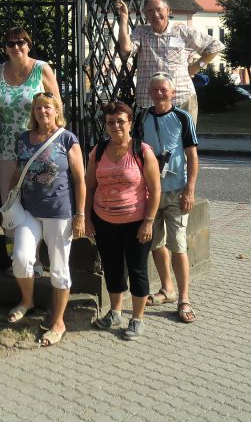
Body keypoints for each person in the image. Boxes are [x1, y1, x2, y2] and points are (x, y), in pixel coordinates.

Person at [5, 92, 86, 347]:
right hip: (28, 210)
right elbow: (18, 171)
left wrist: (80, 215)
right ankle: (27, 301)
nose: (42, 112)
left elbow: (80, 180)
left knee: (59, 269)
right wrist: (10, 200)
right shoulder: (24, 139)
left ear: (56, 111)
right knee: (20, 259)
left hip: (59, 212)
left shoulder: (67, 138)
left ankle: (58, 322)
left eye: (47, 107)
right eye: (38, 108)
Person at [84, 101, 161, 340]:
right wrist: (86, 217)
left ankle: (137, 319)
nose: (115, 126)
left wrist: (149, 221)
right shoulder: (98, 151)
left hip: (136, 223)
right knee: (112, 267)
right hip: (104, 221)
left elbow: (155, 190)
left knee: (137, 270)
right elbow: (89, 187)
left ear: (130, 123)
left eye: (120, 121)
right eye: (110, 122)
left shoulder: (142, 150)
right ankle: (115, 313)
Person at [0, 26, 60, 271]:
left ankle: (36, 259)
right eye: (11, 43)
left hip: (36, 146)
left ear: (29, 45)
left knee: (35, 202)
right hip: (7, 146)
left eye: (21, 42)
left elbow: (56, 106)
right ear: (5, 48)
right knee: (10, 204)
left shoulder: (41, 69)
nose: (16, 47)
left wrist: (54, 141)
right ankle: (15, 259)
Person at [140, 72, 200, 324]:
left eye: (164, 90)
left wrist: (190, 190)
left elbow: (192, 156)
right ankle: (167, 289)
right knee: (156, 243)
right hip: (150, 191)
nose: (159, 93)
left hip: (177, 191)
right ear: (149, 93)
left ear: (172, 93)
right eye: (155, 89)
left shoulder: (182, 117)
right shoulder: (142, 117)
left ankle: (184, 298)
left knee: (178, 245)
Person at [114, 0, 223, 125]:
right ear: (145, 14)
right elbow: (126, 49)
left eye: (159, 9)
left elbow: (215, 46)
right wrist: (124, 18)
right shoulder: (141, 32)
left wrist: (196, 67)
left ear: (168, 10)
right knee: (151, 138)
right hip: (150, 100)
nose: (155, 14)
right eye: (150, 11)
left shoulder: (182, 32)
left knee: (185, 137)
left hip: (181, 98)